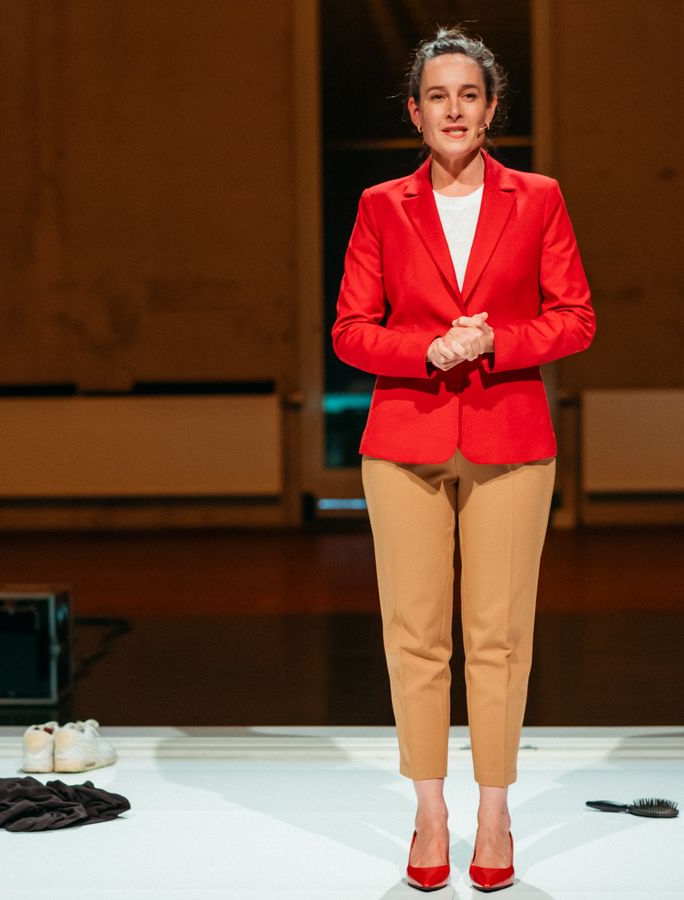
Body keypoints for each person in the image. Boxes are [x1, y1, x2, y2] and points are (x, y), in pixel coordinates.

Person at [331, 27, 595, 892]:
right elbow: (350, 330)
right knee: (415, 637)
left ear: (491, 109)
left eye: (469, 95)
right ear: (415, 112)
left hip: (509, 437)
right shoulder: (381, 204)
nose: (454, 110)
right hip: (404, 438)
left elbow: (576, 317)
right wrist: (426, 350)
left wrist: (495, 340)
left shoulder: (538, 198)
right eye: (437, 96)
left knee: (498, 637)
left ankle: (494, 812)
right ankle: (430, 812)